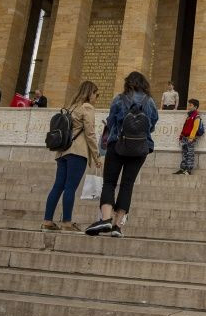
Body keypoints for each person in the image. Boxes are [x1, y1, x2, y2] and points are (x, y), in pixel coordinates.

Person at [86, 71, 159, 237]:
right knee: (128, 184)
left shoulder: (119, 99)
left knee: (109, 182)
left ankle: (105, 219)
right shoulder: (150, 102)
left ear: (128, 83)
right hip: (141, 147)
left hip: (117, 144)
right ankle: (117, 226)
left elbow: (111, 121)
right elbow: (152, 124)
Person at [43, 81, 101, 231]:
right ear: (90, 93)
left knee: (58, 186)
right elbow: (90, 133)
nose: (96, 97)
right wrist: (97, 156)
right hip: (77, 152)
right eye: (96, 93)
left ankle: (47, 221)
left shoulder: (71, 107)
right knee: (70, 187)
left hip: (62, 151)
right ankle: (67, 222)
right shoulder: (87, 108)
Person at [173, 98, 203, 175]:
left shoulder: (196, 116)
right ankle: (183, 169)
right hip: (184, 138)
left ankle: (188, 170)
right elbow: (185, 127)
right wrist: (181, 137)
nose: (189, 107)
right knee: (184, 154)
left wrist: (191, 137)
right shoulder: (188, 116)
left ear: (195, 107)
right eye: (189, 105)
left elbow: (195, 128)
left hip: (190, 138)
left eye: (190, 105)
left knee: (190, 154)